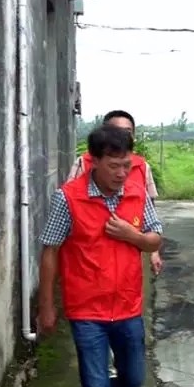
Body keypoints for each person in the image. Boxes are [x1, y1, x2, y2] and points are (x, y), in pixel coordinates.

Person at [37, 124, 164, 387]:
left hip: (127, 307)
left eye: (126, 165)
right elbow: (50, 250)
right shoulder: (69, 198)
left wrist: (132, 236)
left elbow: (155, 238)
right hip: (87, 310)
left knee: (133, 379)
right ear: (93, 162)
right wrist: (47, 305)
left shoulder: (137, 193)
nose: (122, 173)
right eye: (114, 166)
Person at [68, 110, 163, 277]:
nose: (121, 173)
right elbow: (70, 203)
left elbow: (150, 215)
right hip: (90, 259)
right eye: (116, 131)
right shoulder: (84, 163)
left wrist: (153, 251)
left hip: (133, 252)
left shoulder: (142, 166)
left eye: (128, 132)